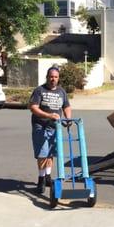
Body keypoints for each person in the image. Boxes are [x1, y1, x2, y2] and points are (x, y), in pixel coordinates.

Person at [29, 65, 72, 194]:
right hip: (40, 125)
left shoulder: (61, 91)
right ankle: (41, 179)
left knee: (51, 153)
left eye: (55, 77)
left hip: (55, 127)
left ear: (58, 78)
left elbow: (66, 107)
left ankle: (48, 176)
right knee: (43, 153)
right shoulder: (39, 90)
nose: (53, 79)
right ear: (47, 77)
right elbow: (33, 107)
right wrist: (49, 116)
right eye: (51, 77)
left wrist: (68, 119)